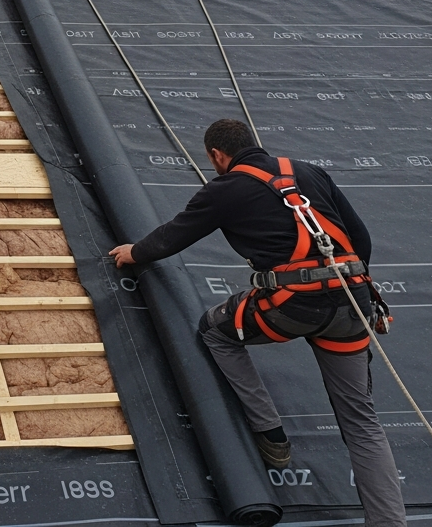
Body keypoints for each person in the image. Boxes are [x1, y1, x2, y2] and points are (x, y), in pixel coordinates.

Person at [110, 118, 407, 527]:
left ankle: (269, 431)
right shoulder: (309, 172)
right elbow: (360, 238)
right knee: (361, 421)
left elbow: (174, 235)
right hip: (351, 305)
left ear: (217, 155)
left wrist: (134, 253)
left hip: (290, 306)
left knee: (215, 331)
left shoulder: (225, 189)